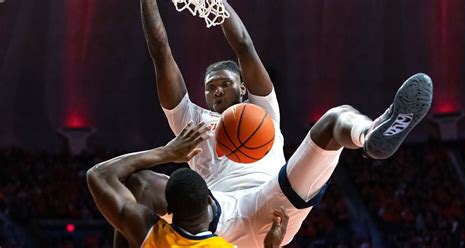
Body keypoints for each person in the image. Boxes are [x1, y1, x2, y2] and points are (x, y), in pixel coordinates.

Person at [137, 0, 434, 247]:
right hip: (217, 214)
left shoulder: (261, 108)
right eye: (210, 86)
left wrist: (215, 3)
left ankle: (370, 134)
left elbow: (243, 45)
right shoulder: (193, 121)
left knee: (333, 119)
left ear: (242, 88)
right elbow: (161, 54)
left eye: (224, 83)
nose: (216, 90)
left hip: (274, 201)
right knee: (139, 183)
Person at [87, 122, 289, 248]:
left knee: (137, 182)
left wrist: (167, 153)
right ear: (210, 201)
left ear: (168, 210)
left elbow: (98, 174)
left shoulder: (146, 233)